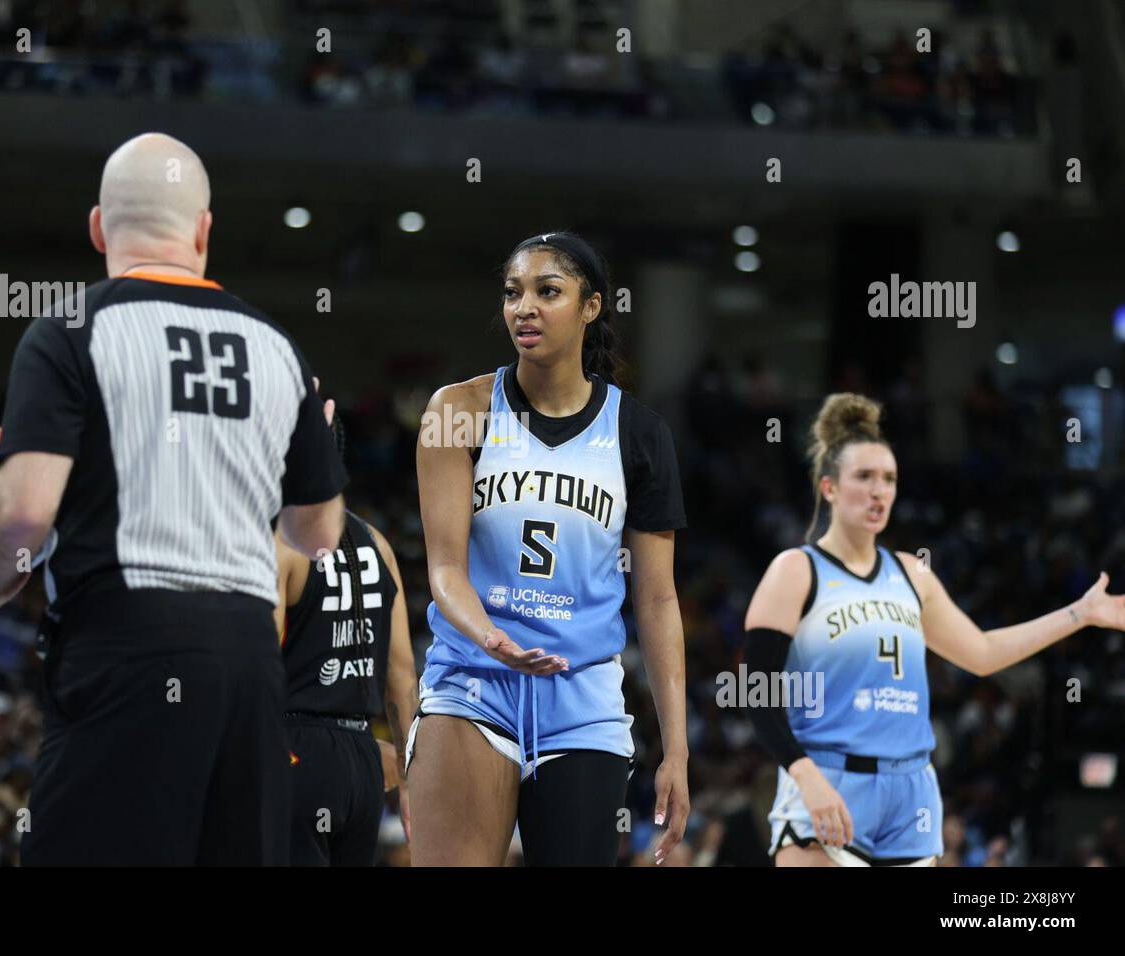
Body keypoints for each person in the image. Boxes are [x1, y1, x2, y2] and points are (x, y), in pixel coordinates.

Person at [0, 132, 347, 865]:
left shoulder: (69, 331)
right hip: (247, 662)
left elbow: (22, 513)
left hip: (126, 649)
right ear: (205, 230)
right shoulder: (277, 346)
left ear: (97, 227)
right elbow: (316, 535)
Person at [743, 392, 1125, 866]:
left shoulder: (912, 575)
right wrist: (804, 775)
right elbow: (755, 691)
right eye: (864, 477)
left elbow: (982, 654)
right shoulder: (796, 570)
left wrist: (1081, 614)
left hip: (911, 794)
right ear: (830, 488)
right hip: (827, 779)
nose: (879, 490)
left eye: (889, 479)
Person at [409, 231, 689, 866]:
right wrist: (492, 640)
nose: (523, 307)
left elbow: (657, 597)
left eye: (547, 291)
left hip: (583, 697)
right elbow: (446, 569)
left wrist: (677, 749)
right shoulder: (457, 410)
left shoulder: (641, 434)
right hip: (474, 679)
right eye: (513, 294)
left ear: (591, 307)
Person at [274, 411, 419, 865]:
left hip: (293, 747)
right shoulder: (376, 542)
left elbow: (255, 666)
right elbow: (401, 673)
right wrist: (412, 778)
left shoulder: (278, 540)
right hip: (362, 761)